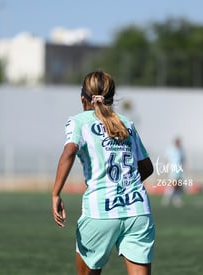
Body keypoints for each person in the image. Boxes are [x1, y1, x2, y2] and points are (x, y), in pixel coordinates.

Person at [52, 70, 155, 275]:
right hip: (138, 210)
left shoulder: (79, 121)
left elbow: (69, 151)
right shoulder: (126, 123)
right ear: (112, 97)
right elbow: (147, 167)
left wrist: (55, 193)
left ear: (83, 98)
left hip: (100, 211)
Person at [161, 137, 185, 207]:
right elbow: (166, 159)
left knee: (179, 186)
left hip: (179, 170)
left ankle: (176, 200)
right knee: (172, 185)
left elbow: (183, 160)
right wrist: (165, 168)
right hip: (173, 170)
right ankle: (166, 199)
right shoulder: (170, 149)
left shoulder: (181, 150)